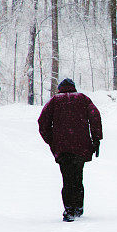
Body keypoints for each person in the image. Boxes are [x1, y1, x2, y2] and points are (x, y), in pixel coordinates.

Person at [38, 78, 103, 222]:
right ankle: (78, 208)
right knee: (78, 177)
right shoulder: (83, 99)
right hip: (81, 147)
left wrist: (52, 142)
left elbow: (42, 123)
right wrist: (96, 139)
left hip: (62, 148)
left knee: (67, 178)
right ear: (73, 88)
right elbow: (95, 117)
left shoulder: (54, 101)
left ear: (60, 89)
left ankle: (69, 210)